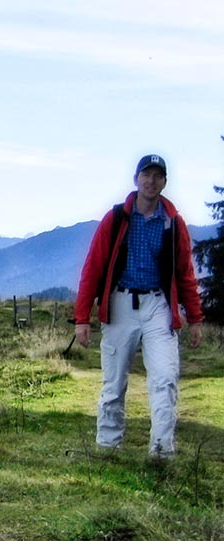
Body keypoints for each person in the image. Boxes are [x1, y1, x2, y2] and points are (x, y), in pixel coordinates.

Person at [74, 153, 203, 458]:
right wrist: (82, 318)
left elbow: (185, 272)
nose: (151, 181)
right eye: (146, 174)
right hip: (120, 304)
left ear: (164, 182)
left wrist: (194, 318)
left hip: (158, 305)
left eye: (158, 176)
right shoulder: (117, 218)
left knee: (165, 378)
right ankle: (107, 447)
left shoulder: (173, 223)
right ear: (136, 179)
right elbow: (93, 268)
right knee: (114, 382)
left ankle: (161, 452)